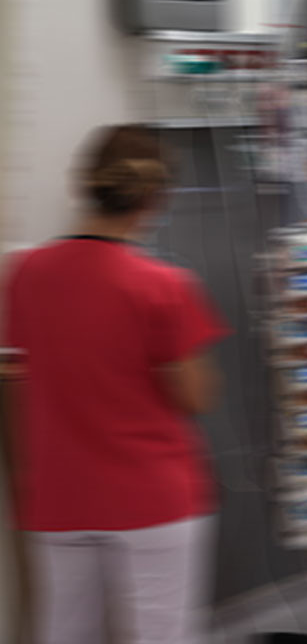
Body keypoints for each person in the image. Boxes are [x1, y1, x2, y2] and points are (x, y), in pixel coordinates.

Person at [1, 125, 226, 644]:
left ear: (83, 183)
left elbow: (16, 385)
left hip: (58, 498)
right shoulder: (164, 286)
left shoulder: (24, 273)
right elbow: (197, 396)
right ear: (156, 199)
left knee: (66, 633)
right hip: (152, 499)